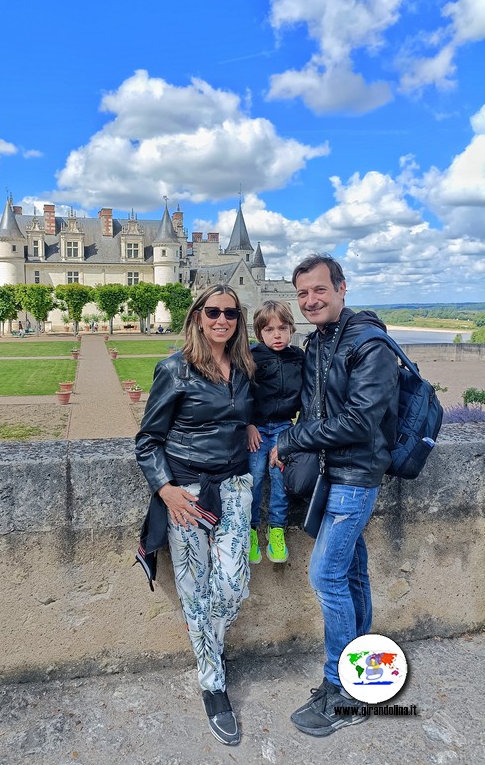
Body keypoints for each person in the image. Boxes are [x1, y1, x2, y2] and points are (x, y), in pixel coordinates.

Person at [270, 254, 398, 737]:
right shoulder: (321, 341)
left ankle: (342, 689)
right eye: (302, 294)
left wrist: (291, 441)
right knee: (352, 574)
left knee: (325, 577)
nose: (310, 301)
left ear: (342, 289)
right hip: (334, 473)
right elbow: (311, 405)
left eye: (319, 290)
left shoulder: (369, 345)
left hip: (355, 477)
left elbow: (360, 421)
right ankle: (361, 676)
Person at [135, 284, 255, 747]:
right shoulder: (174, 369)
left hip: (236, 485)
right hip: (187, 492)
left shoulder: (245, 368)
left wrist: (245, 423)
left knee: (234, 584)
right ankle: (213, 683)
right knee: (195, 589)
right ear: (198, 317)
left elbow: (250, 409)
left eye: (230, 313)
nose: (222, 319)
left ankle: (209, 646)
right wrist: (165, 490)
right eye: (213, 312)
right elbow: (148, 440)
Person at [247, 300, 303, 564]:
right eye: (269, 330)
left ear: (291, 329)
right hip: (256, 427)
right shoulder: (251, 357)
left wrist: (294, 436)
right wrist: (247, 425)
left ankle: (276, 529)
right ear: (260, 333)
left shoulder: (298, 358)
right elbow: (240, 395)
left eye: (282, 328)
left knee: (280, 477)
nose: (277, 335)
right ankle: (250, 530)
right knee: (255, 476)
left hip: (283, 427)